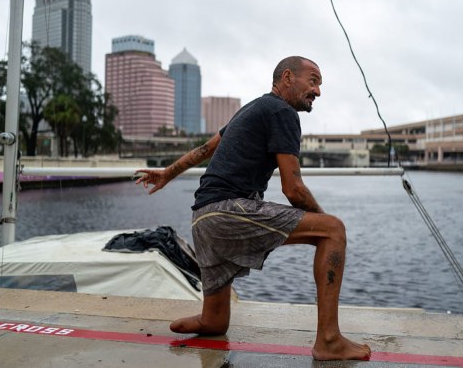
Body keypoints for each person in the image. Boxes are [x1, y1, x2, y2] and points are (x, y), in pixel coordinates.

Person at [135, 56, 371, 361]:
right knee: (334, 230)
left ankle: (206, 319)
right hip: (227, 212)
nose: (318, 91)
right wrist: (326, 225)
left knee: (216, 322)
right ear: (288, 77)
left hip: (202, 219)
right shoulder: (282, 112)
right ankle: (329, 340)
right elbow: (293, 189)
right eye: (313, 81)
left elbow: (206, 149)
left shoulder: (251, 109)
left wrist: (168, 173)